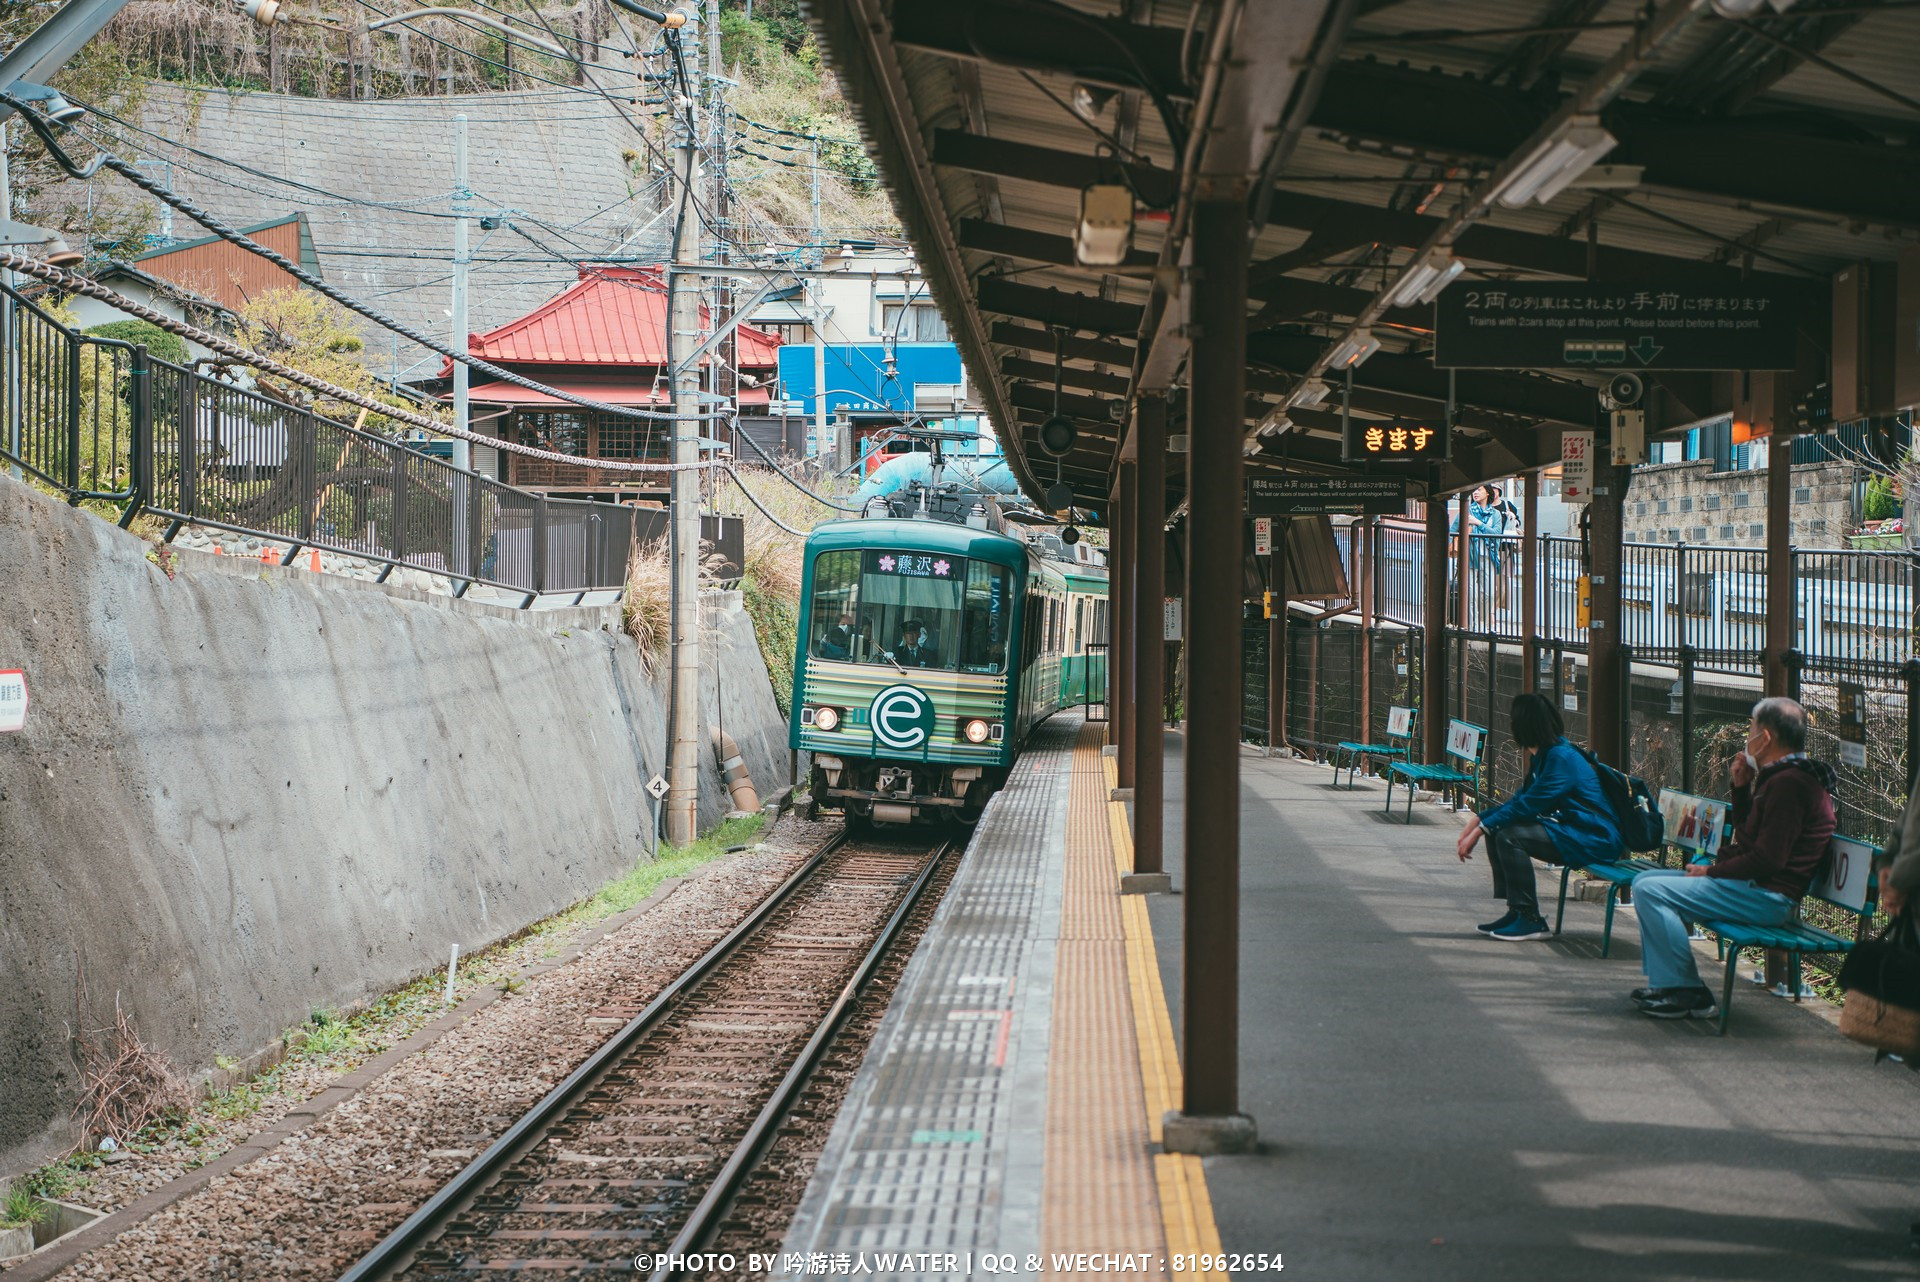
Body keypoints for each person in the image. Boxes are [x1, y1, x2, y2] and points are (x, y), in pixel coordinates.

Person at [1629, 696, 1836, 1019]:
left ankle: (1687, 991)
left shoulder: (1790, 784)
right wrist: (1741, 789)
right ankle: (1670, 984)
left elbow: (1768, 858)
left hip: (1768, 896)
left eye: (1751, 728)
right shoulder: (1785, 777)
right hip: (1758, 888)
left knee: (1650, 890)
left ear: (1765, 737)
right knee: (1644, 881)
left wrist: (1712, 872)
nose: (1748, 736)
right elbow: (1751, 839)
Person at [1457, 693, 1621, 941]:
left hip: (1595, 838)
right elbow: (1521, 800)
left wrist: (1480, 829)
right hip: (1576, 831)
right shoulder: (1545, 755)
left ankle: (1529, 918)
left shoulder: (1560, 758)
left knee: (1509, 836)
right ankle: (1517, 911)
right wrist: (1480, 820)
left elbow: (1530, 806)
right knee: (1500, 829)